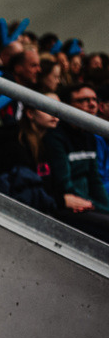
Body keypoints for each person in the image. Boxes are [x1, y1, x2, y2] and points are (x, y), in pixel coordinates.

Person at [42, 83, 109, 242]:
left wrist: (105, 208)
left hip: (88, 205)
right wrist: (97, 207)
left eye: (94, 99)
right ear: (68, 106)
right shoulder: (56, 138)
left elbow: (95, 182)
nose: (92, 104)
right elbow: (64, 184)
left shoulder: (89, 136)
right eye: (84, 100)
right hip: (70, 206)